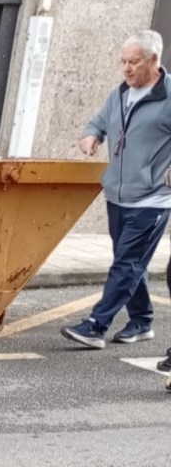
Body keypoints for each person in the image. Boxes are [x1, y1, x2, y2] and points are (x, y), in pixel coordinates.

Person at [61, 30, 171, 353]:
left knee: (126, 263)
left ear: (154, 61)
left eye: (133, 62)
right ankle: (142, 320)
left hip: (153, 199)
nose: (126, 68)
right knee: (129, 261)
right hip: (118, 196)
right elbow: (97, 122)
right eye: (123, 61)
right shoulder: (119, 95)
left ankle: (96, 325)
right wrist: (91, 136)